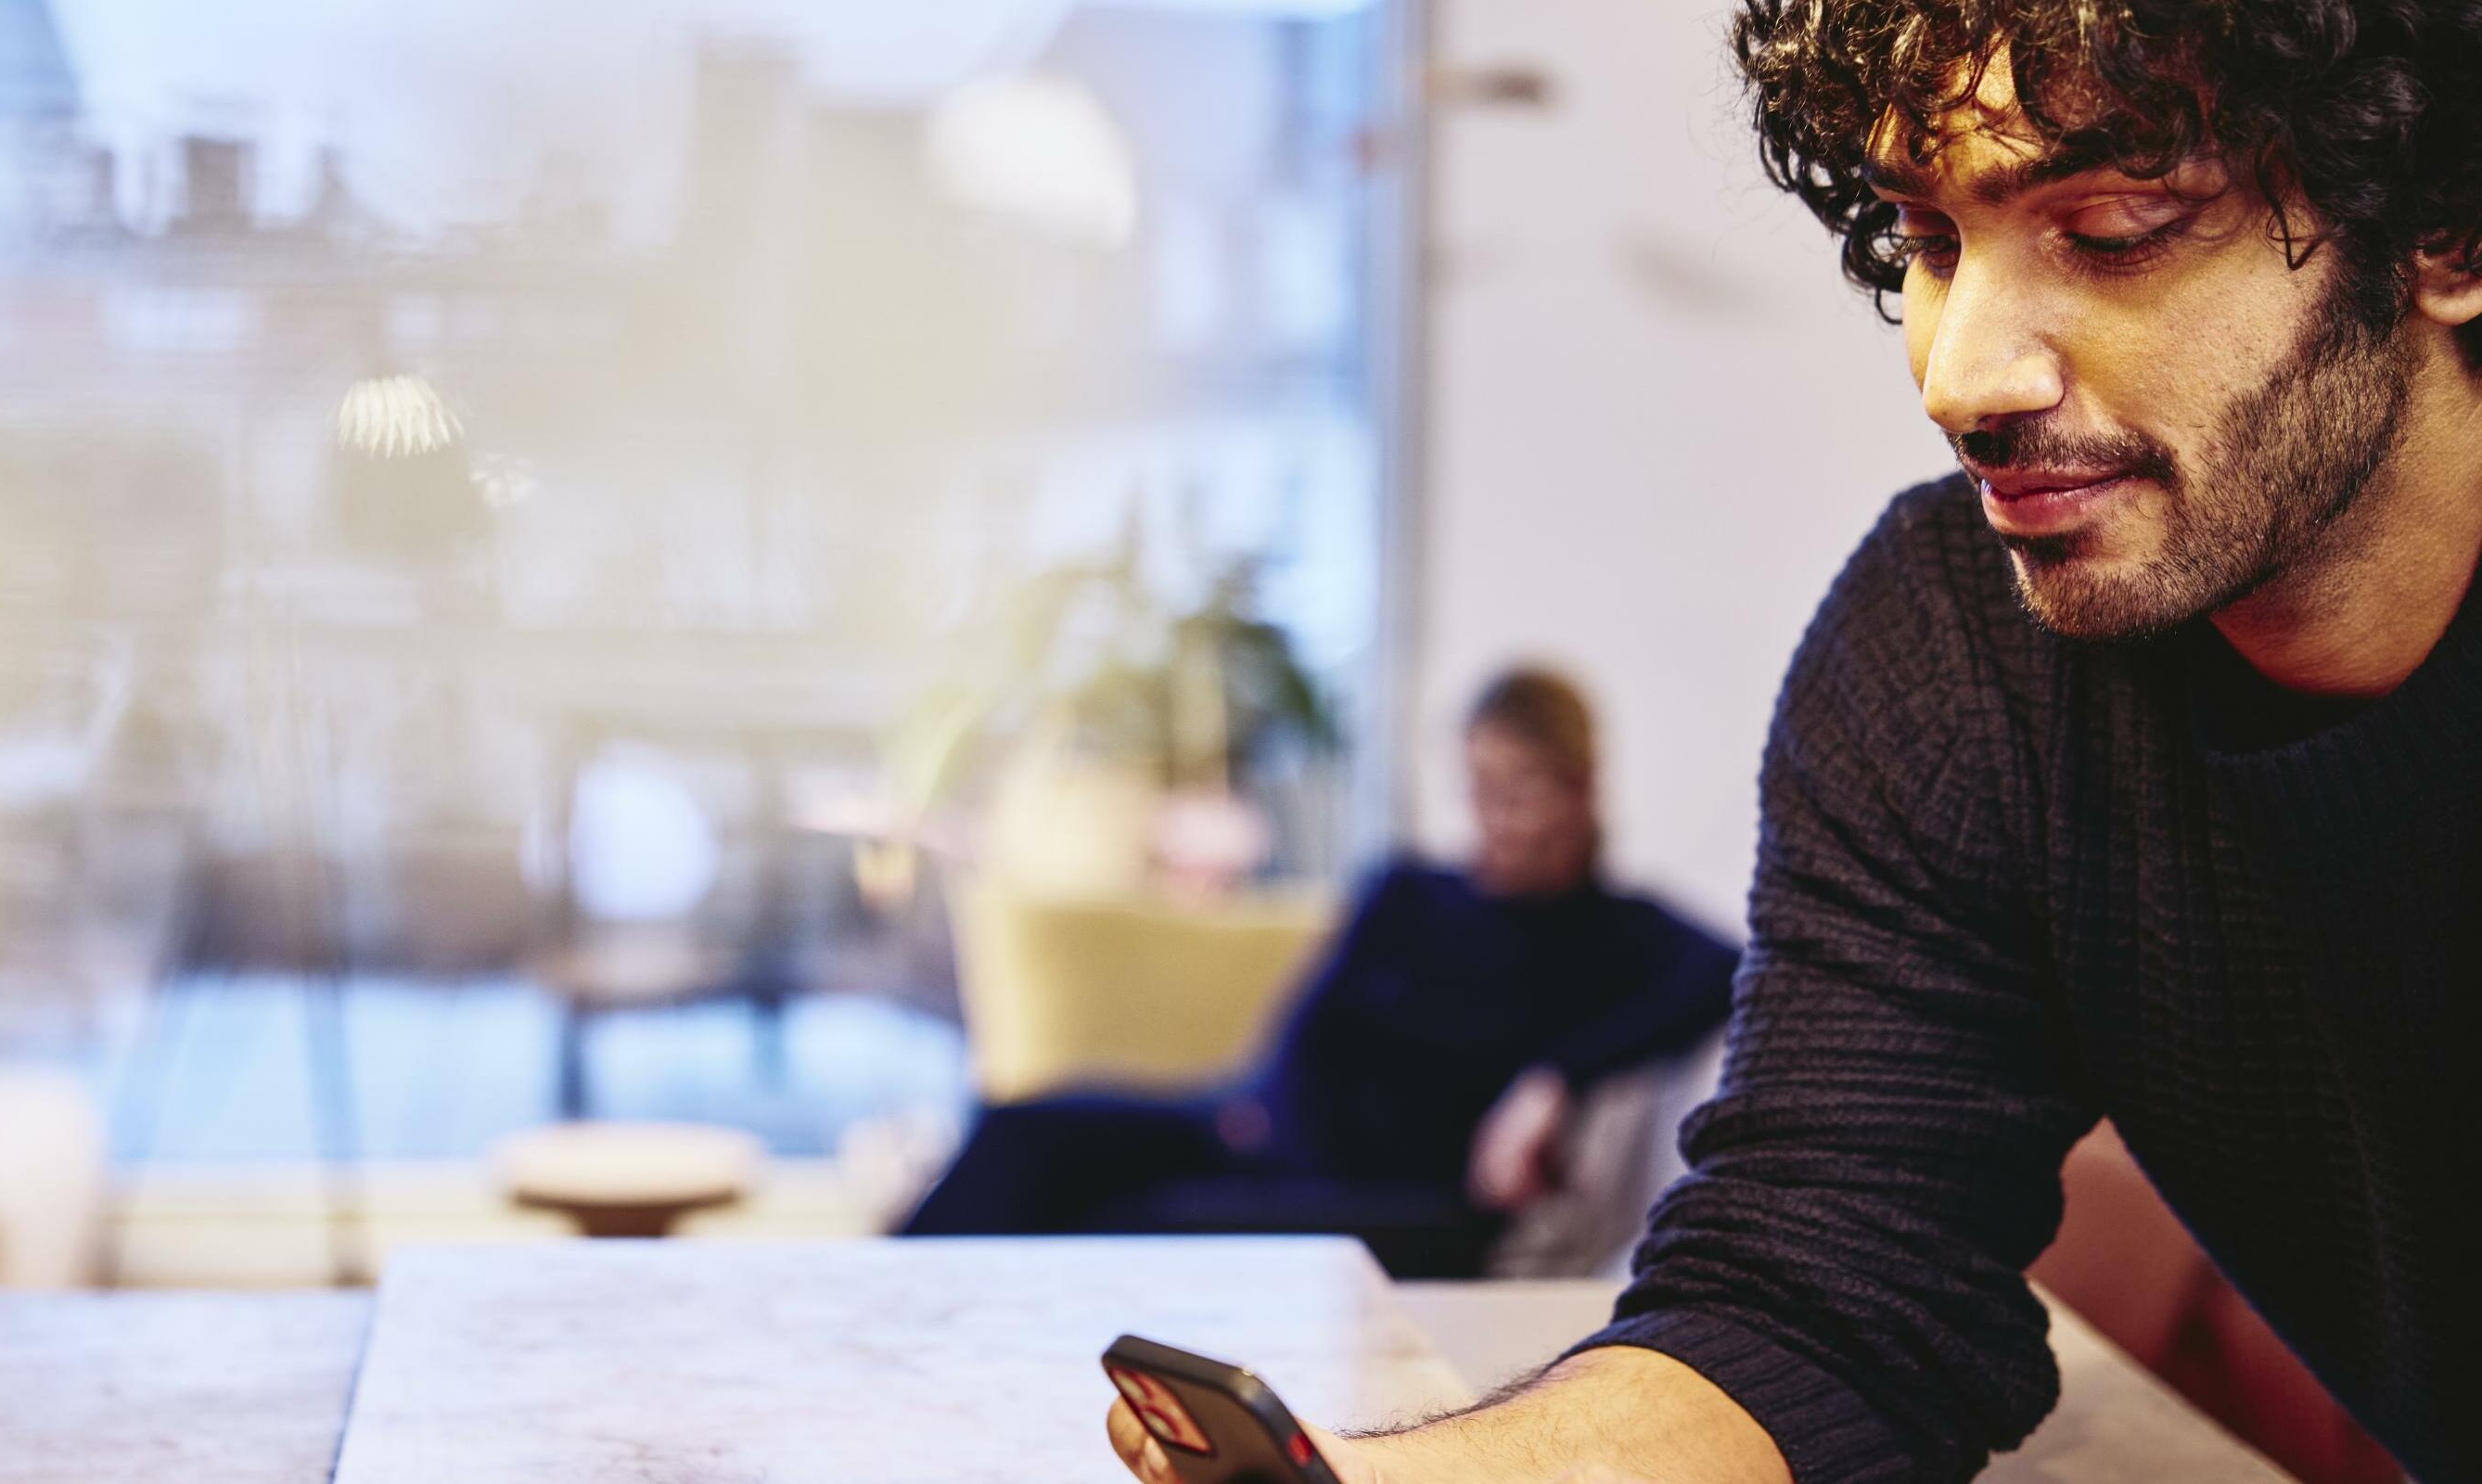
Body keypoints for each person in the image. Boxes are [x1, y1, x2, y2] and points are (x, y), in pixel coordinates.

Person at [1105, 1, 2482, 1480]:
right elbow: (1824, 1301)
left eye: (2118, 229)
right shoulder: (1956, 645)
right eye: (1932, 243)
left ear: (2441, 230)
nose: (1962, 377)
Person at [905, 666, 1736, 1279]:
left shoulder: (1622, 933)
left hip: (1408, 1207)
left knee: (1124, 1230)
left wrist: (1554, 1076)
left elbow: (1732, 973)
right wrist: (1254, 1114)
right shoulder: (1409, 891)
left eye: (1520, 791)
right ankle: (861, 1331)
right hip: (1253, 1135)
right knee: (1025, 1130)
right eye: (1481, 790)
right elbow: (1308, 1027)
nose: (1497, 821)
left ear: (1580, 790)